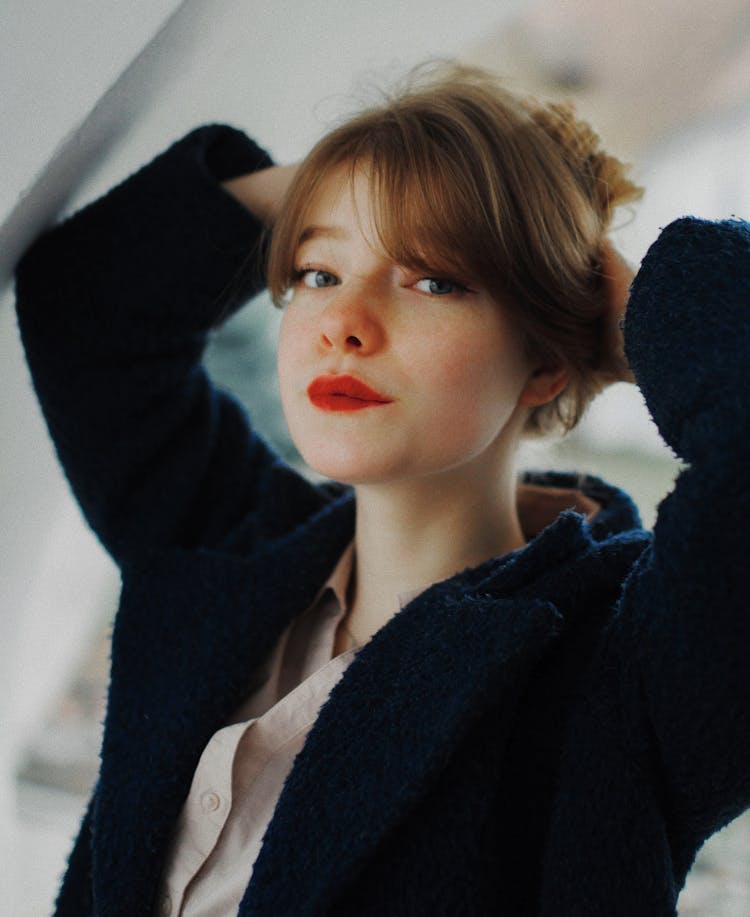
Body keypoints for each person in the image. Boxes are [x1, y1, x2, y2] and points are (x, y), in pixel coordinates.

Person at [15, 64, 750, 917]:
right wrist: (357, 182)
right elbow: (86, 301)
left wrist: (617, 300)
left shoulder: (625, 669)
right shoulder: (225, 544)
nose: (343, 321)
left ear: (545, 361)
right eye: (318, 270)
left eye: (433, 279)